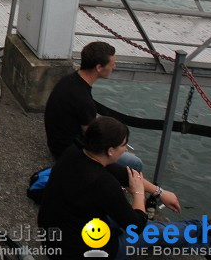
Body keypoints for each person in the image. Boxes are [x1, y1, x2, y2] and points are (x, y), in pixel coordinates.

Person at [38, 116, 211, 260]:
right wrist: (139, 194)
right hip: (80, 252)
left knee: (142, 223)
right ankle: (206, 232)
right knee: (152, 231)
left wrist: (160, 192)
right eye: (123, 145)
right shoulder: (102, 183)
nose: (125, 149)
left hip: (55, 238)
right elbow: (136, 225)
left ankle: (200, 234)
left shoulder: (77, 152)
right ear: (110, 150)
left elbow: (123, 174)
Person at [44, 41, 144, 172]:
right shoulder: (84, 100)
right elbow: (95, 139)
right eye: (112, 63)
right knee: (135, 163)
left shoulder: (69, 80)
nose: (114, 66)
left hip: (56, 143)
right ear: (99, 67)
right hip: (68, 154)